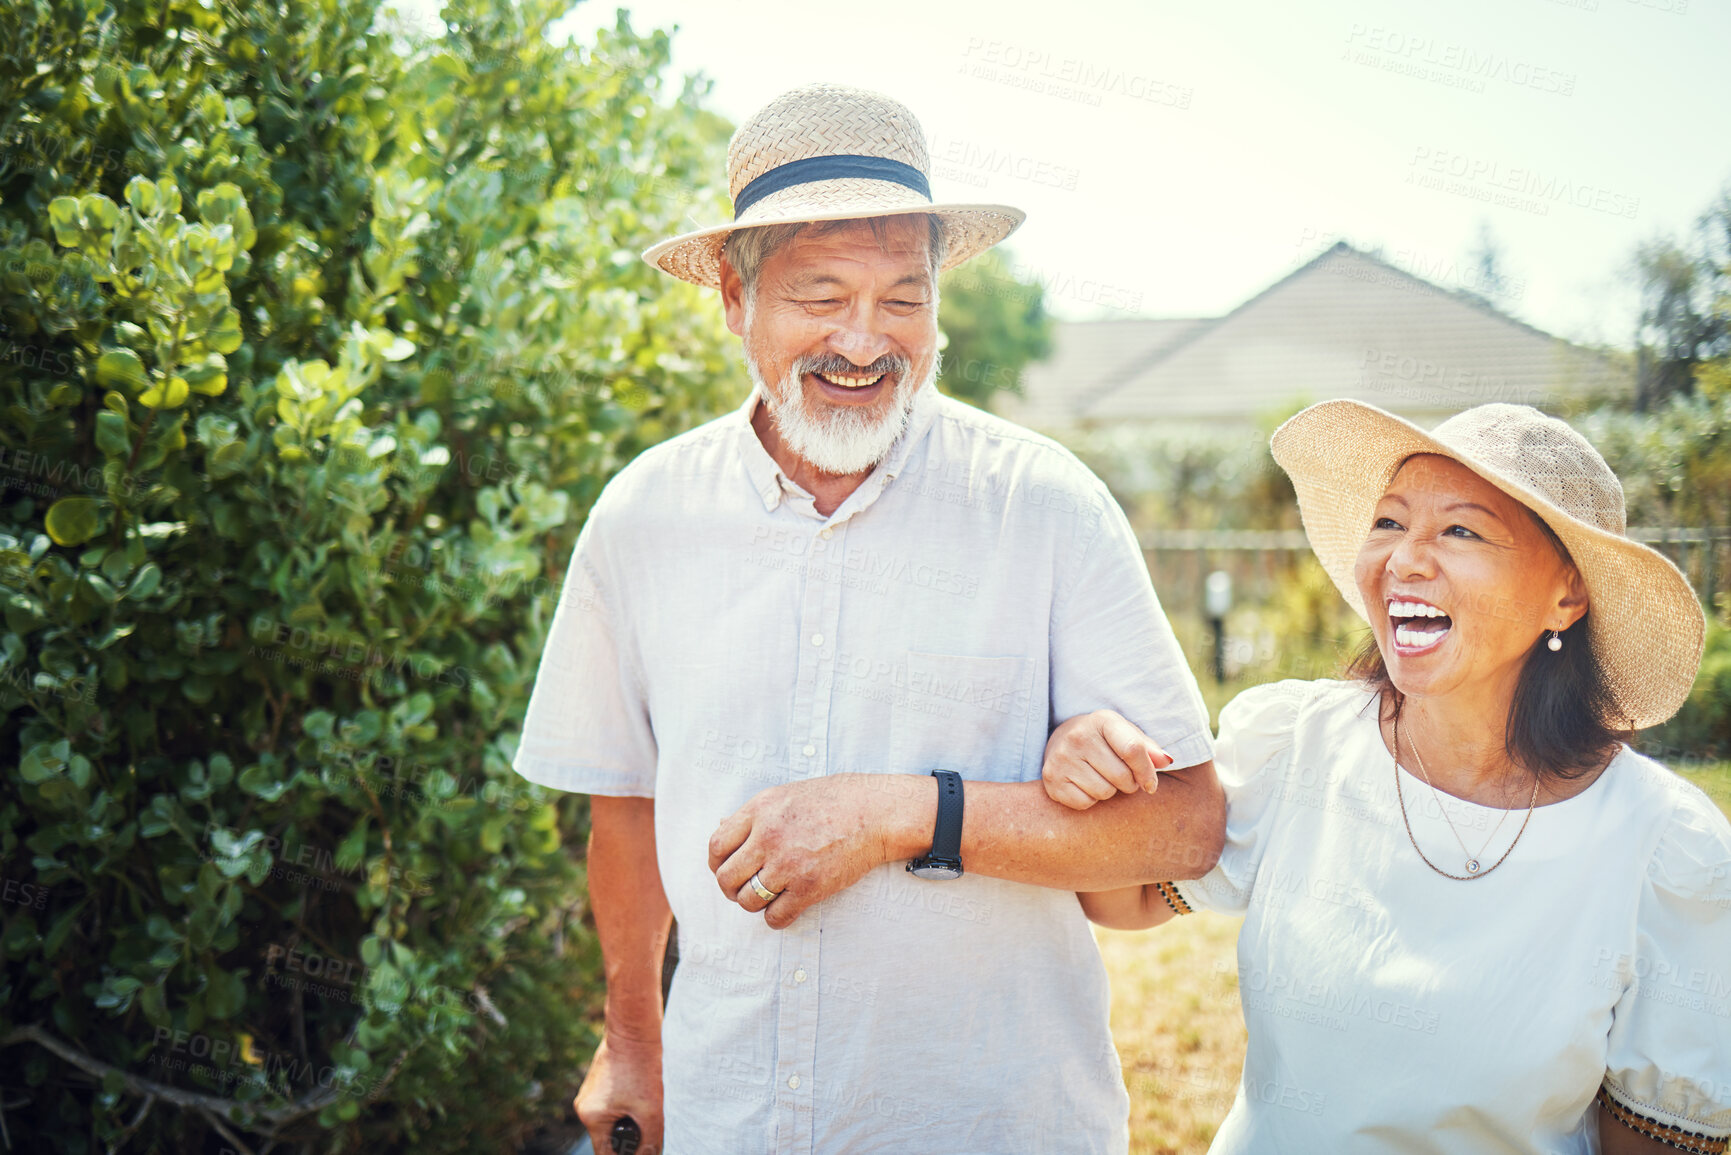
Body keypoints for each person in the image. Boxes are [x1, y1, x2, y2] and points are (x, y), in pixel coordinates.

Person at [512, 83, 1226, 1155]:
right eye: (821, 294)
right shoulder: (644, 518)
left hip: (993, 1123)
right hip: (732, 1117)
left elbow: (1185, 826)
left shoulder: (1044, 505)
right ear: (732, 298)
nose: (864, 339)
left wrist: (902, 813)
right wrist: (631, 1036)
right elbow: (626, 802)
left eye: (904, 298)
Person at [1043, 399, 1731, 1154]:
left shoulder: (1663, 849)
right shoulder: (1297, 744)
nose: (1404, 558)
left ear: (1565, 595)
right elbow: (1126, 895)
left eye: (1460, 529)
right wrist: (1092, 759)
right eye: (1388, 522)